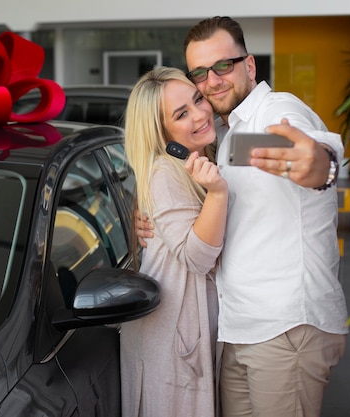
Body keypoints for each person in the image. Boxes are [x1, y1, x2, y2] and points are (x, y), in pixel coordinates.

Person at [135, 16, 348, 417]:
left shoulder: (276, 110)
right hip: (237, 329)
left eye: (223, 66)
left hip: (286, 327)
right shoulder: (231, 135)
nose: (211, 81)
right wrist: (147, 218)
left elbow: (312, 152)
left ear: (249, 66)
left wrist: (322, 166)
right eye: (199, 72)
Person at [121, 66, 227, 417]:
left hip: (183, 335)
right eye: (181, 114)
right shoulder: (165, 173)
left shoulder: (199, 158)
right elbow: (198, 258)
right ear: (161, 131)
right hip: (171, 341)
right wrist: (217, 194)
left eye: (198, 100)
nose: (199, 114)